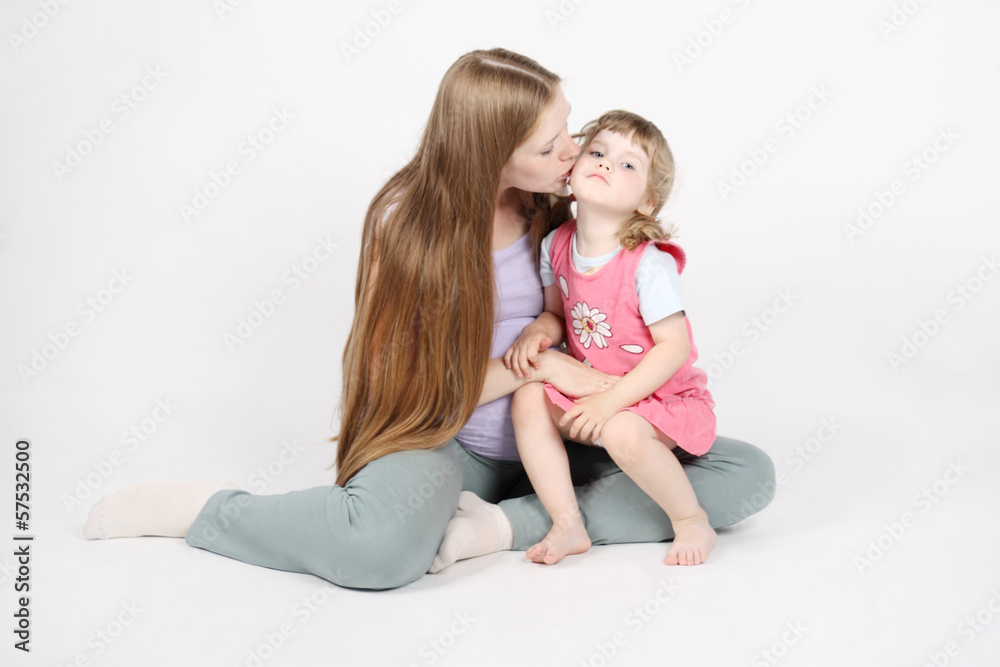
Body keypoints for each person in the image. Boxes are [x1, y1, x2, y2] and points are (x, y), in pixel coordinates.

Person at [83, 49, 775, 590]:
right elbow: (412, 392)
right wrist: (542, 363)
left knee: (745, 474)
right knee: (377, 550)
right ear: (489, 156)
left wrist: (576, 360)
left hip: (567, 440)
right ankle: (211, 511)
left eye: (572, 127)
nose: (574, 152)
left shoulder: (556, 211)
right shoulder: (406, 227)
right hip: (454, 440)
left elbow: (597, 304)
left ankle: (508, 524)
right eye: (551, 145)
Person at [503, 110, 716, 567]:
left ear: (647, 203)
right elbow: (556, 313)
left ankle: (690, 518)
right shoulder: (556, 244)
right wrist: (539, 330)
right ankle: (568, 523)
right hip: (591, 388)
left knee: (622, 429)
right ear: (575, 165)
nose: (604, 164)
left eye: (627, 165)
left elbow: (673, 346)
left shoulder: (647, 263)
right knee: (526, 398)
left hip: (658, 397)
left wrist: (612, 401)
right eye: (597, 152)